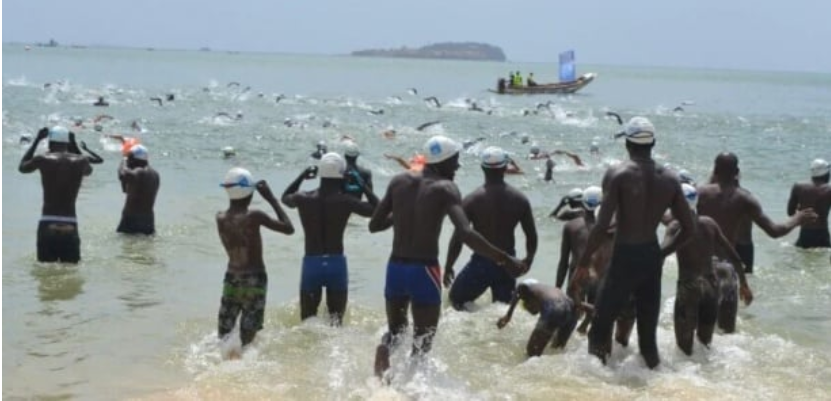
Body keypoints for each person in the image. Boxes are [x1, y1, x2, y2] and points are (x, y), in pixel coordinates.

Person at [369, 135, 527, 379]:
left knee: (396, 331)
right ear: (442, 162)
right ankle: (412, 391)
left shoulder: (398, 181)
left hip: (396, 268)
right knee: (422, 344)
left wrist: (404, 216)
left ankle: (384, 356)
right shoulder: (446, 188)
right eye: (454, 160)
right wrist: (505, 258)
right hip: (424, 271)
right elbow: (465, 233)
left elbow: (375, 224)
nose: (457, 166)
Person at [570, 116, 696, 369]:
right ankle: (656, 387)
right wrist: (662, 253)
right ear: (654, 143)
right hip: (651, 256)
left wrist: (583, 264)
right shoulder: (670, 178)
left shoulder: (617, 174)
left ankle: (595, 388)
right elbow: (689, 228)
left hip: (623, 257)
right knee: (648, 338)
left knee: (599, 328)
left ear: (627, 143)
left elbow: (602, 226)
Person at [282, 153, 379, 325]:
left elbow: (285, 198)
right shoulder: (346, 201)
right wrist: (362, 185)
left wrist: (301, 177)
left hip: (311, 264)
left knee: (307, 322)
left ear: (320, 174)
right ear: (342, 175)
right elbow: (377, 210)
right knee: (336, 322)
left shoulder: (304, 198)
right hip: (336, 264)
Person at [662, 184, 753, 355]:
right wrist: (744, 284)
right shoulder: (710, 223)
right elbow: (734, 256)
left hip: (689, 287)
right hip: (711, 287)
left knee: (684, 350)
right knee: (705, 346)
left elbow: (661, 254)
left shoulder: (675, 227)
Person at [444, 147, 538, 309]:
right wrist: (528, 260)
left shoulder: (471, 200)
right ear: (504, 168)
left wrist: (448, 266)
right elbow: (531, 235)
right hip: (508, 264)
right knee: (502, 310)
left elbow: (459, 237)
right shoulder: (520, 199)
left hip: (481, 263)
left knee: (456, 301)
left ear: (482, 168)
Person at [698, 152, 817, 273]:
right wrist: (797, 218)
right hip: (727, 263)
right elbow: (774, 231)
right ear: (737, 172)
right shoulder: (744, 198)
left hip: (700, 260)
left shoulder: (699, 193)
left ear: (715, 170)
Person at [216, 167, 294, 352]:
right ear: (249, 193)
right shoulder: (254, 216)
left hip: (231, 278)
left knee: (224, 333)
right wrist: (271, 199)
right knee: (248, 340)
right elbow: (288, 228)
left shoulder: (220, 218)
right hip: (254, 279)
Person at [555, 187, 630, 338]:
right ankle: (585, 335)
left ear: (583, 204)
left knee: (571, 316)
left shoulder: (571, 226)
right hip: (600, 278)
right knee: (595, 315)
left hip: (577, 277)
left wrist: (557, 287)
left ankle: (562, 346)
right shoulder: (611, 229)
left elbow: (563, 260)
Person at [19, 126, 93, 263]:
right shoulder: (82, 161)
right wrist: (75, 146)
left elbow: (22, 167)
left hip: (48, 221)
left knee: (45, 273)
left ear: (50, 142)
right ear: (67, 143)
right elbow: (89, 171)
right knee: (71, 271)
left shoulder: (42, 159)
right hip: (70, 222)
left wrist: (36, 140)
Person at [496, 279, 580, 357]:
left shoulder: (530, 289)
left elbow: (519, 287)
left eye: (525, 306)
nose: (528, 310)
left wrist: (508, 315)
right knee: (556, 351)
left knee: (532, 352)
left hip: (554, 307)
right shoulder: (546, 290)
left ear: (527, 297)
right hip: (572, 309)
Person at [787, 159, 831, 248]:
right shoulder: (829, 189)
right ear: (826, 173)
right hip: (822, 235)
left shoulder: (798, 186)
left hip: (804, 235)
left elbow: (790, 212)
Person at [116, 145, 160, 235]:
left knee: (128, 247)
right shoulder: (155, 174)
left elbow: (123, 175)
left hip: (132, 220)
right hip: (148, 221)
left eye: (129, 157)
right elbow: (125, 190)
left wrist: (123, 161)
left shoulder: (139, 172)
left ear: (133, 158)